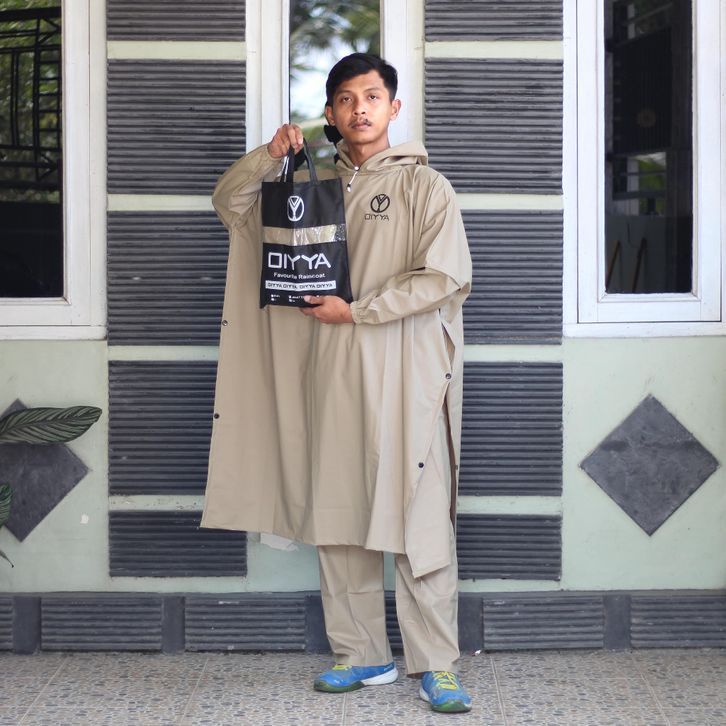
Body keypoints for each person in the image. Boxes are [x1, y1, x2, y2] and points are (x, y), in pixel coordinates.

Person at [201, 53, 472, 713]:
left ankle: (436, 665)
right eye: (346, 99)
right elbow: (230, 205)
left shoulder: (425, 186)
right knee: (340, 515)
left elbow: (445, 277)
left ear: (394, 108)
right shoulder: (306, 187)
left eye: (372, 96)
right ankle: (362, 654)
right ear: (330, 113)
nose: (359, 109)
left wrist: (359, 310)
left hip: (406, 378)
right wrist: (267, 158)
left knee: (418, 520)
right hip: (326, 376)